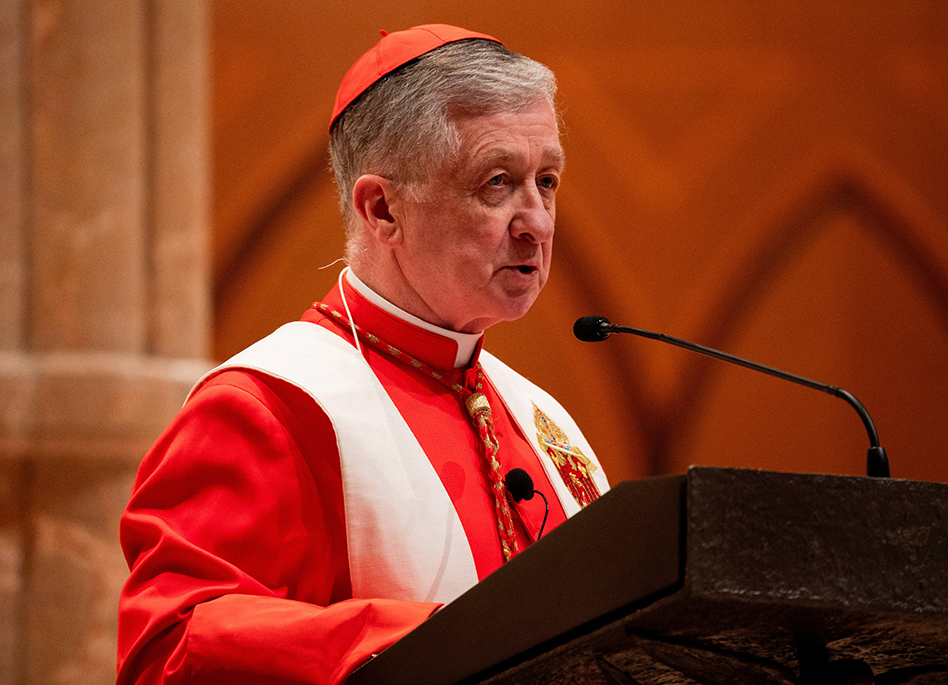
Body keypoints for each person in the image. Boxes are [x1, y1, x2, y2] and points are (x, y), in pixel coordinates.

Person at [116, 24, 609, 685]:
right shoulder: (272, 405)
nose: (538, 223)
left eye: (546, 180)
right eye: (498, 182)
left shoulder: (540, 418)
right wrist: (428, 641)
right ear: (382, 210)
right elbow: (170, 648)